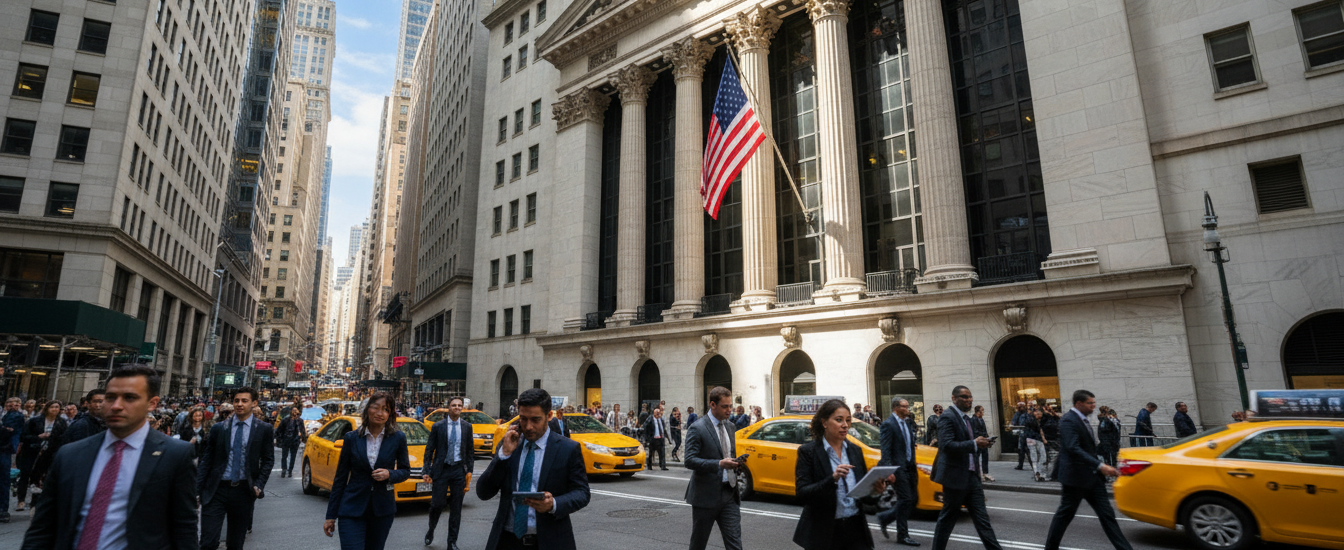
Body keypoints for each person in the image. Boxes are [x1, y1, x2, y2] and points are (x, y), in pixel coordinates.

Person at [20, 366, 198, 549]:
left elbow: (184, 528)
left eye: (129, 398)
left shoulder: (175, 455)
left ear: (152, 403)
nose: (116, 406)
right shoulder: (70, 454)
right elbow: (42, 527)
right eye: (110, 397)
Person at [476, 388, 590, 550]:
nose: (528, 426)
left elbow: (582, 493)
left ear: (549, 416)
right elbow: (483, 492)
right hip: (507, 540)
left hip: (549, 541)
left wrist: (554, 504)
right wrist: (503, 455)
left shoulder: (567, 449)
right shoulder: (509, 444)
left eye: (535, 420)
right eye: (523, 419)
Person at [1044, 390, 1134, 550]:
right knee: (1065, 515)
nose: (1094, 406)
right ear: (1079, 404)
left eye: (1093, 403)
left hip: (1093, 479)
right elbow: (1073, 448)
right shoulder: (1068, 421)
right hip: (1075, 478)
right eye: (1090, 403)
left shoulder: (1082, 419)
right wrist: (1100, 465)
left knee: (1107, 516)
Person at [794, 399, 888, 550]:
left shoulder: (855, 451)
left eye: (848, 420)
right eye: (839, 420)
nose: (845, 425)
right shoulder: (808, 452)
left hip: (855, 529)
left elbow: (863, 498)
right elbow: (802, 494)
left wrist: (876, 491)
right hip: (824, 532)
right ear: (824, 423)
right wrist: (832, 479)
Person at [320, 393, 410, 550]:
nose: (380, 413)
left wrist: (390, 474)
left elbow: (405, 471)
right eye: (375, 407)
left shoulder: (398, 438)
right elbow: (340, 478)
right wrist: (330, 516)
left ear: (390, 414)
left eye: (385, 409)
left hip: (382, 510)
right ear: (367, 410)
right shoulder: (352, 438)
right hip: (352, 508)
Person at [198, 388, 275, 550]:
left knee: (235, 544)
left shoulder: (264, 429)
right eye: (236, 401)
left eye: (244, 401)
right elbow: (207, 460)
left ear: (254, 403)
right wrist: (198, 490)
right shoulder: (218, 429)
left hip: (243, 492)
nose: (239, 404)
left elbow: (268, 460)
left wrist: (258, 485)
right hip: (216, 490)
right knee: (208, 542)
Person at [930, 386, 1002, 550]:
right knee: (947, 520)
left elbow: (969, 445)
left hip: (972, 477)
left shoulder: (967, 419)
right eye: (964, 397)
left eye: (970, 397)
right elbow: (946, 445)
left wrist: (982, 443)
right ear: (954, 398)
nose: (968, 400)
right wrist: (975, 444)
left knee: (983, 521)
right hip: (955, 477)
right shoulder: (947, 417)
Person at [685, 386, 744, 550]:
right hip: (705, 497)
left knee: (735, 545)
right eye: (725, 406)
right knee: (699, 544)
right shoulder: (697, 428)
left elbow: (729, 454)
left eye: (730, 406)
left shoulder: (730, 427)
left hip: (729, 494)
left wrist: (736, 465)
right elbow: (689, 460)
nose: (729, 410)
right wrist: (719, 464)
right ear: (712, 405)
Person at [423, 396, 474, 550]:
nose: (457, 407)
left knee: (456, 508)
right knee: (437, 504)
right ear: (448, 407)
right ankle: (431, 529)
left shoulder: (467, 427)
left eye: (459, 405)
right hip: (442, 470)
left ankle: (451, 542)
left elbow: (470, 451)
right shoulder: (438, 426)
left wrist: (469, 470)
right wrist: (426, 470)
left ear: (462, 408)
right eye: (454, 405)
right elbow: (429, 450)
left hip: (458, 470)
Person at [876, 397, 920, 547]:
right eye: (905, 406)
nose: (908, 409)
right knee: (906, 499)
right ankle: (903, 535)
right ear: (896, 407)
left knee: (913, 499)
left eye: (908, 406)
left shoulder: (907, 423)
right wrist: (889, 470)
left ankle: (885, 517)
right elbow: (885, 449)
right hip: (897, 468)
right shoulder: (888, 424)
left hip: (910, 467)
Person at [16, 400, 68, 512]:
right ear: (47, 408)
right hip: (31, 452)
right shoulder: (34, 421)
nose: (54, 409)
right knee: (25, 476)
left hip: (49, 454)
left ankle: (34, 503)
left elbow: (63, 438)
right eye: (52, 407)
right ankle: (21, 500)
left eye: (57, 407)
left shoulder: (61, 422)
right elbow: (24, 437)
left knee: (38, 478)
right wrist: (39, 436)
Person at [1, 397, 25, 523]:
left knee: (3, 479)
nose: (12, 406)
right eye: (9, 403)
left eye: (15, 404)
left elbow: (8, 431)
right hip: (5, 448)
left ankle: (2, 510)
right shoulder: (4, 414)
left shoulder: (15, 416)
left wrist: (4, 429)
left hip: (4, 449)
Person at [277, 406, 305, 477]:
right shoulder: (285, 420)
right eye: (293, 410)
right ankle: (284, 469)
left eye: (296, 410)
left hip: (295, 441)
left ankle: (290, 470)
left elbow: (303, 431)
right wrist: (280, 439)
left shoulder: (300, 421)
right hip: (286, 440)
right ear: (291, 412)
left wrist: (303, 439)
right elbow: (279, 430)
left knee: (293, 456)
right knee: (284, 456)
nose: (295, 412)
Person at [1024, 409, 1049, 482]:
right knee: (1043, 456)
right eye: (1038, 414)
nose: (1039, 415)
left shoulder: (1028, 419)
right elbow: (1040, 430)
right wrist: (1043, 439)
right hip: (1037, 439)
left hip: (1029, 439)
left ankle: (1036, 473)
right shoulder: (1035, 421)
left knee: (1034, 458)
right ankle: (1040, 472)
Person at [971, 405, 994, 482]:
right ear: (978, 411)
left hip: (984, 441)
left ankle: (985, 473)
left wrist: (988, 437)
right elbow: (974, 431)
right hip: (978, 441)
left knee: (985, 456)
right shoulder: (973, 419)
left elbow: (984, 430)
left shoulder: (981, 419)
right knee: (976, 458)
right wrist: (982, 436)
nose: (983, 412)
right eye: (982, 410)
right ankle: (978, 473)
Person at [644, 406, 669, 470]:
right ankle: (649, 466)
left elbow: (663, 429)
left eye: (659, 412)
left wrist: (667, 438)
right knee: (651, 453)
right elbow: (645, 429)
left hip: (660, 438)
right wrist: (647, 439)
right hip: (653, 439)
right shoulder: (650, 419)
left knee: (662, 453)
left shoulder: (661, 419)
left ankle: (663, 466)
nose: (658, 414)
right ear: (653, 413)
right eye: (656, 412)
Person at [1011, 402, 1029, 470]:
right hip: (1021, 434)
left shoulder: (1027, 414)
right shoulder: (1017, 414)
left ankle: (1033, 464)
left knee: (1028, 450)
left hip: (1027, 434)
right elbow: (1014, 422)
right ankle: (1020, 464)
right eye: (1018, 407)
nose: (1019, 408)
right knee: (1021, 450)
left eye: (1020, 407)